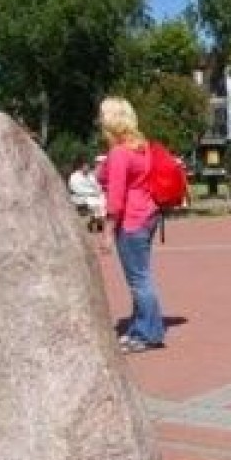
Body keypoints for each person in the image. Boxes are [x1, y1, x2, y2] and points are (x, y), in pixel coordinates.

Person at [99, 97, 165, 353]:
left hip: (131, 221)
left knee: (139, 280)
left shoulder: (119, 152)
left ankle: (149, 333)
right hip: (148, 215)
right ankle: (139, 327)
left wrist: (106, 232)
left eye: (102, 115)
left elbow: (115, 197)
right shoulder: (142, 147)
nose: (99, 120)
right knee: (141, 276)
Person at [67, 157, 106, 233]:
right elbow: (77, 190)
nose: (87, 167)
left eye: (87, 166)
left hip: (93, 195)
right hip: (80, 197)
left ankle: (98, 221)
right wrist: (92, 193)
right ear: (81, 167)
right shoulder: (74, 177)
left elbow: (97, 185)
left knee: (103, 200)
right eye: (85, 166)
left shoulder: (90, 176)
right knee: (95, 203)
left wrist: (98, 191)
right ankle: (95, 223)